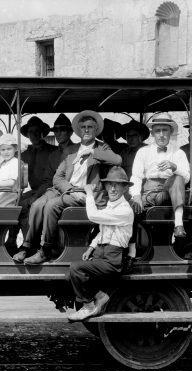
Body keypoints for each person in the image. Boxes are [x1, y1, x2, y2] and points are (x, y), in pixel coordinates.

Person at [14, 110, 122, 265]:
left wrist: (91, 151)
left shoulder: (102, 147)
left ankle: (46, 250)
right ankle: (28, 246)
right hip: (67, 190)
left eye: (90, 127)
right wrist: (70, 189)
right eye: (83, 127)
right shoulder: (70, 150)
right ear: (78, 130)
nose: (86, 130)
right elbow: (57, 177)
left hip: (88, 193)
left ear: (96, 130)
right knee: (37, 204)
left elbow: (117, 160)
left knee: (51, 205)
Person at [66, 166, 134, 322]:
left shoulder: (124, 210)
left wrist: (89, 194)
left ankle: (89, 307)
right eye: (110, 184)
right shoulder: (110, 206)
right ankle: (101, 296)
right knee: (68, 276)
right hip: (100, 254)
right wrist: (91, 248)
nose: (113, 188)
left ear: (125, 188)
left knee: (76, 268)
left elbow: (93, 216)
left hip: (113, 259)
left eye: (118, 185)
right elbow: (101, 232)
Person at [129, 117, 190, 239]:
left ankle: (178, 224)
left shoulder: (179, 153)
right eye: (158, 131)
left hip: (170, 192)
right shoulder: (143, 151)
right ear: (152, 133)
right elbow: (136, 176)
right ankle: (133, 250)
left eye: (165, 130)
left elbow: (187, 178)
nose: (161, 135)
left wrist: (174, 167)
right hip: (149, 193)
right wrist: (136, 195)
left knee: (178, 177)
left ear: (171, 132)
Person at [10, 117, 60, 247]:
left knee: (26, 204)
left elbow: (53, 179)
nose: (34, 135)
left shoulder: (53, 151)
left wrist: (37, 195)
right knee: (14, 203)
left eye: (37, 131)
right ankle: (12, 240)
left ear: (43, 133)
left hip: (49, 190)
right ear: (27, 134)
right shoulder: (24, 153)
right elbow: (19, 176)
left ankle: (31, 244)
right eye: (31, 132)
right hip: (33, 190)